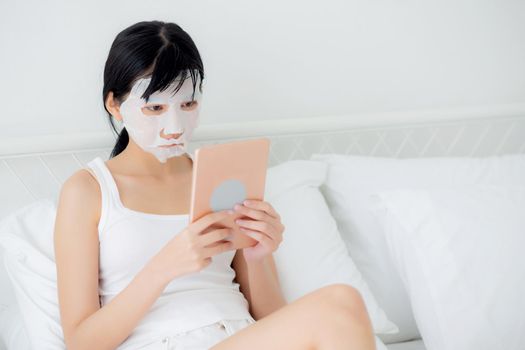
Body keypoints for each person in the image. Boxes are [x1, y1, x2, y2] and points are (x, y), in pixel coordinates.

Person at [53, 20, 376, 350]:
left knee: (341, 307)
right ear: (115, 105)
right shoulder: (88, 191)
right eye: (155, 108)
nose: (174, 127)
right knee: (340, 303)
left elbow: (272, 318)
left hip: (240, 336)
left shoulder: (220, 174)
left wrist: (258, 253)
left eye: (188, 104)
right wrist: (163, 268)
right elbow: (81, 343)